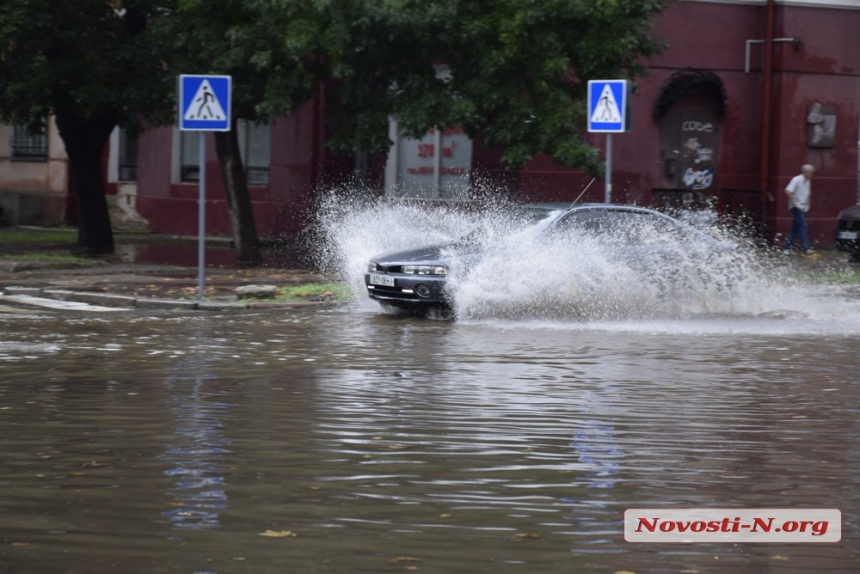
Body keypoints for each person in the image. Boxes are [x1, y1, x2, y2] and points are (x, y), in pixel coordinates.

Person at [784, 164, 814, 254]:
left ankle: (787, 248)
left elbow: (808, 194)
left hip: (802, 206)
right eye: (810, 173)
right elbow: (788, 191)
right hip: (797, 206)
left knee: (795, 228)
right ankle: (806, 248)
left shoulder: (807, 181)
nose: (811, 175)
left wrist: (808, 205)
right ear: (805, 172)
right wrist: (794, 203)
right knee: (803, 226)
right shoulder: (796, 179)